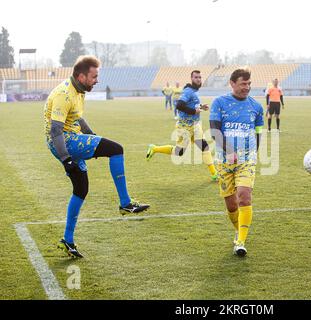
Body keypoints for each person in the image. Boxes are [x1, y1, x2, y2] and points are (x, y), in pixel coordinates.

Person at [44, 55, 150, 258]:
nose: (97, 80)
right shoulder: (63, 94)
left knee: (81, 189)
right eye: (94, 76)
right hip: (63, 141)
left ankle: (68, 240)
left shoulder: (79, 89)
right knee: (116, 149)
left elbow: (78, 118)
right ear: (81, 75)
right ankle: (125, 203)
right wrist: (66, 159)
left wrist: (92, 136)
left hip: (69, 139)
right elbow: (56, 131)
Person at [210, 68, 264, 257]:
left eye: (249, 84)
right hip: (224, 162)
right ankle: (238, 230)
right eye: (243, 84)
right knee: (231, 205)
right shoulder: (219, 103)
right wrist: (229, 151)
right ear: (232, 83)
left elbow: (258, 133)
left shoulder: (256, 107)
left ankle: (240, 241)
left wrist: (252, 154)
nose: (247, 88)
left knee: (244, 196)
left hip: (246, 160)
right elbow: (215, 132)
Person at [146, 70, 218, 181]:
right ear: (191, 78)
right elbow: (179, 105)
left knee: (205, 147)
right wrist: (194, 111)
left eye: (200, 77)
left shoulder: (194, 91)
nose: (198, 79)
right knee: (179, 152)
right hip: (184, 127)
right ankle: (154, 148)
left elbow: (192, 105)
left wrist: (201, 107)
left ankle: (214, 174)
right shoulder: (188, 91)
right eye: (196, 77)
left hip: (195, 126)